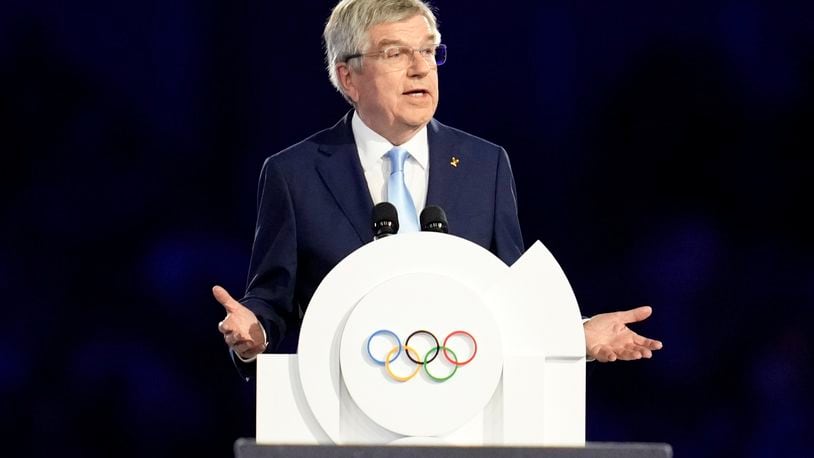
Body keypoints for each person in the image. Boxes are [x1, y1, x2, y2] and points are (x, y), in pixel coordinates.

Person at [215, 0, 662, 380]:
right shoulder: (294, 174)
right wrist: (253, 333)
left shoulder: (485, 165)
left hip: (465, 406)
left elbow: (512, 299)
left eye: (428, 52)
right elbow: (271, 300)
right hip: (344, 411)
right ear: (348, 78)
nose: (419, 68)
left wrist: (577, 334)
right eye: (395, 54)